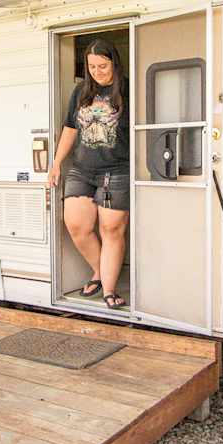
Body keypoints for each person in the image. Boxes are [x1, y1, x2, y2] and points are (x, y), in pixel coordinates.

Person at [47, 38, 130, 310]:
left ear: (114, 63)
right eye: (92, 66)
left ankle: (108, 289)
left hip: (115, 170)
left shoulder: (127, 89)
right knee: (76, 225)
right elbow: (71, 128)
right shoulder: (81, 91)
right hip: (82, 169)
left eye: (102, 66)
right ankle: (99, 270)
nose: (97, 71)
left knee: (111, 230)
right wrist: (57, 162)